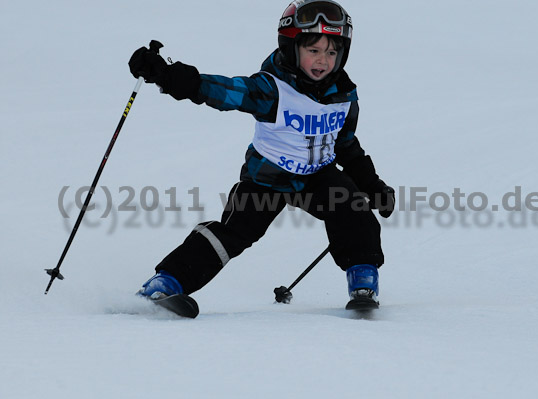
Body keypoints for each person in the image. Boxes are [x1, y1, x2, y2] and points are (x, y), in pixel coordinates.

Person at [128, 0, 395, 306]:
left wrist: (371, 184)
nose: (323, 60)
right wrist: (175, 78)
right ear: (292, 48)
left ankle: (363, 279)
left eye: (332, 52)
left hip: (316, 178)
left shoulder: (344, 96)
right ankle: (167, 282)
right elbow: (229, 92)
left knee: (352, 208)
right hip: (266, 178)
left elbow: (345, 143)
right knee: (233, 233)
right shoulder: (271, 89)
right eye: (314, 50)